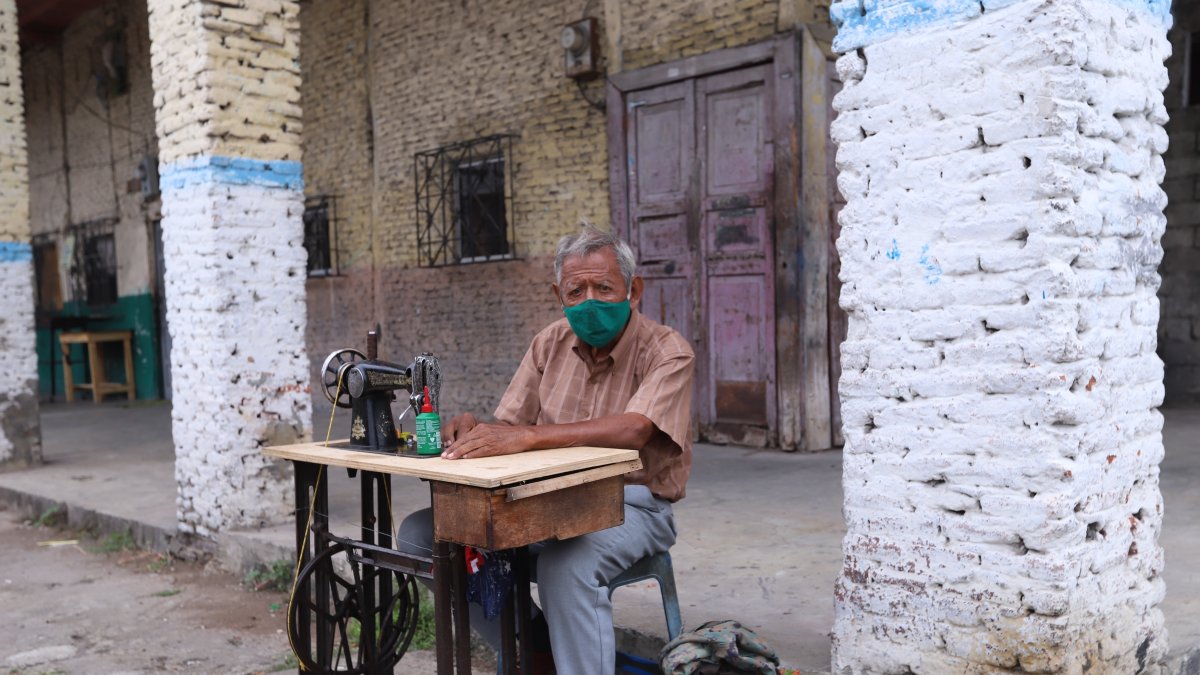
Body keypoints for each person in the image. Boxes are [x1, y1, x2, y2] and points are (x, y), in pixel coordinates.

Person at [398, 224, 695, 675]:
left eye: (603, 287)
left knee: (567, 564)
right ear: (558, 292)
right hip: (548, 498)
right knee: (425, 535)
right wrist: (475, 429)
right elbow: (511, 427)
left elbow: (635, 430)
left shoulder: (667, 351)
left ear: (634, 290)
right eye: (576, 290)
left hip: (632, 503)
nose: (589, 300)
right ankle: (531, 648)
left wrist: (531, 436)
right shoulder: (549, 342)